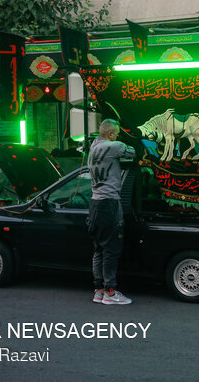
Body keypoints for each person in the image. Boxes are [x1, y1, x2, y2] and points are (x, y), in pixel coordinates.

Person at [87, 119, 136, 305]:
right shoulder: (113, 146)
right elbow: (133, 151)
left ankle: (99, 290)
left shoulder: (93, 148)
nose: (118, 136)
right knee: (111, 249)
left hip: (95, 203)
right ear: (111, 134)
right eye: (116, 133)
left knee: (99, 248)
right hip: (109, 203)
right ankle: (110, 292)